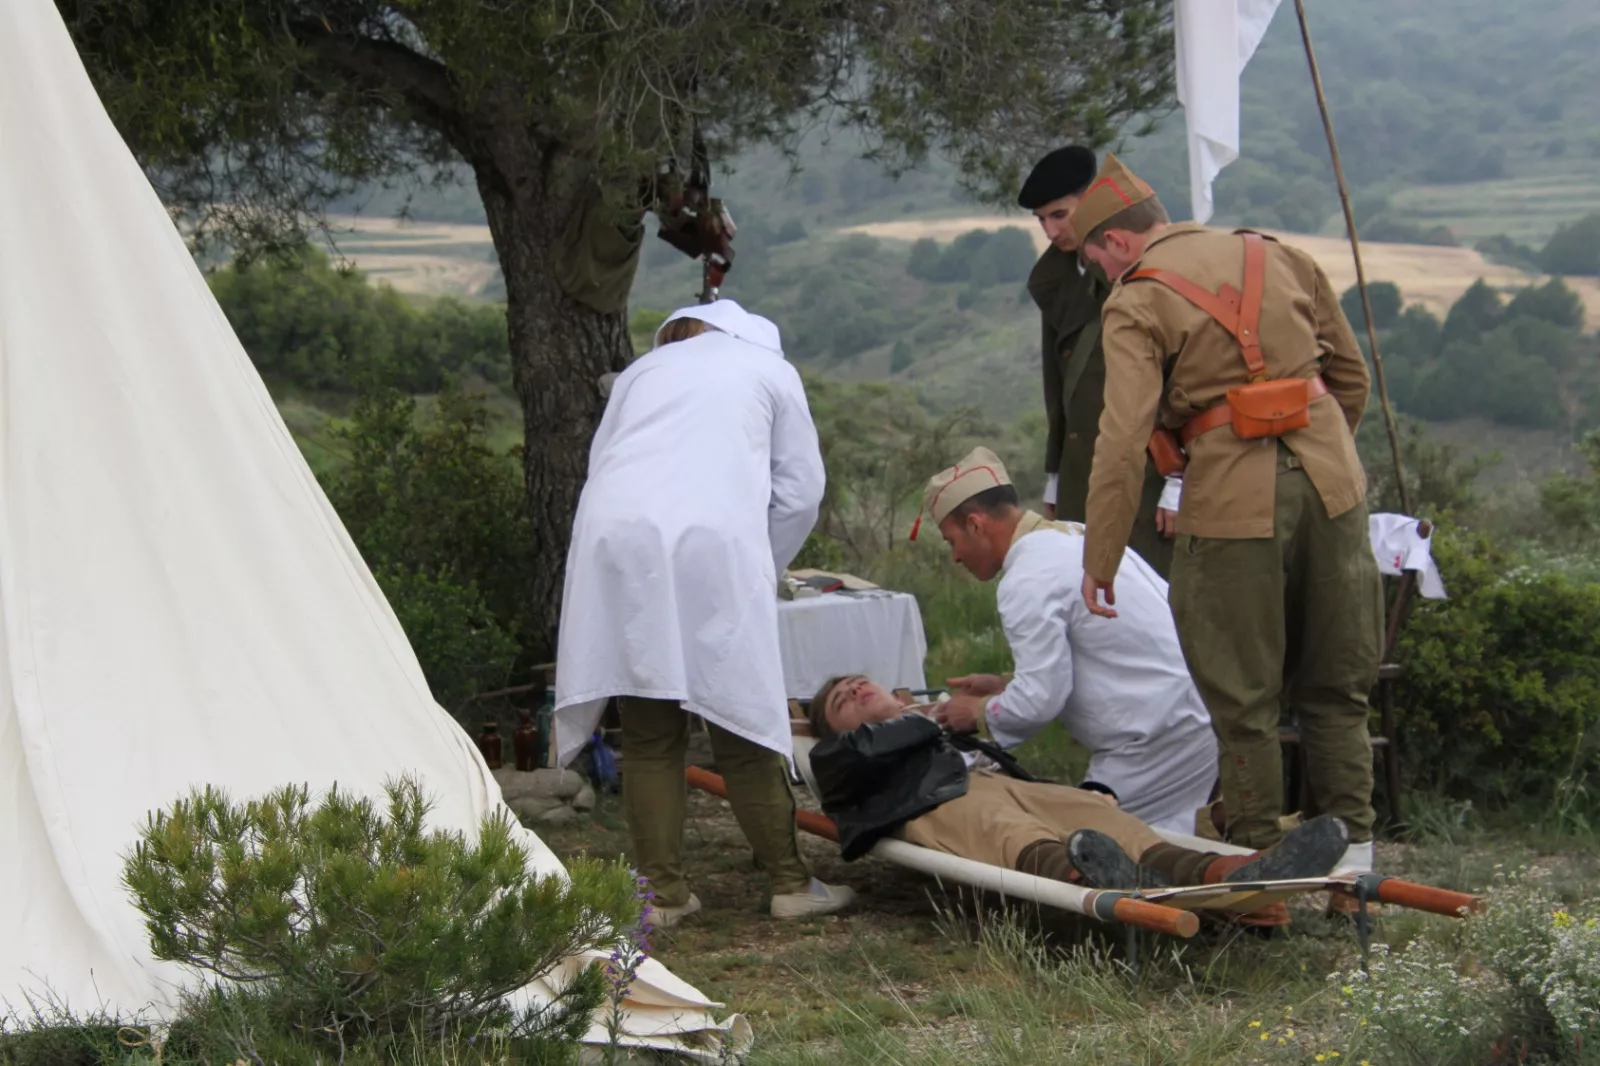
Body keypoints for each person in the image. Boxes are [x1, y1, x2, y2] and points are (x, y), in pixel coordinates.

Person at [1070, 153, 1382, 877]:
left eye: (1097, 263)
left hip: (1231, 503)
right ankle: (1354, 866)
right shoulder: (1281, 255)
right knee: (1337, 687)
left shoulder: (1137, 300)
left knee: (1244, 700)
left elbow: (1121, 442)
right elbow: (1350, 379)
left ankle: (1259, 867)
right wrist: (1323, 455)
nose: (1105, 277)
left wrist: (1102, 557)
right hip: (1335, 488)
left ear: (1116, 244)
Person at [554, 298, 855, 926]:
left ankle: (662, 895)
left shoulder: (641, 373)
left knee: (647, 726)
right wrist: (760, 565)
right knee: (741, 717)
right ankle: (789, 883)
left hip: (618, 537)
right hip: (712, 540)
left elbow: (603, 465)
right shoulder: (770, 370)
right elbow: (801, 492)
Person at [805, 676, 1349, 898]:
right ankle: (1087, 875)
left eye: (859, 681)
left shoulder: (933, 728)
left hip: (988, 781)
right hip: (929, 804)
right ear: (835, 728)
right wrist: (924, 715)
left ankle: (1231, 872)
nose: (853, 688)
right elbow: (868, 755)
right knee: (1005, 830)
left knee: (1098, 813)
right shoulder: (837, 754)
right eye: (841, 701)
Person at [907, 446, 1217, 835]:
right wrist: (1005, 685)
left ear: (975, 524)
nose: (955, 557)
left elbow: (1039, 700)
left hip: (1156, 733)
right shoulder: (1073, 536)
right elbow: (1098, 653)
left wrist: (977, 713)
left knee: (1079, 842)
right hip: (1188, 712)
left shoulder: (1027, 578)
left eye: (952, 541)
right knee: (1164, 841)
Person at [1020, 145, 1176, 577]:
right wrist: (1056, 474)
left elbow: (1187, 381)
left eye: (1059, 214)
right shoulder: (1059, 279)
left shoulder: (1141, 266)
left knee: (1154, 597)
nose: (1050, 231)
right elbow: (1059, 387)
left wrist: (1181, 482)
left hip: (1149, 470)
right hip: (1082, 471)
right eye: (1041, 220)